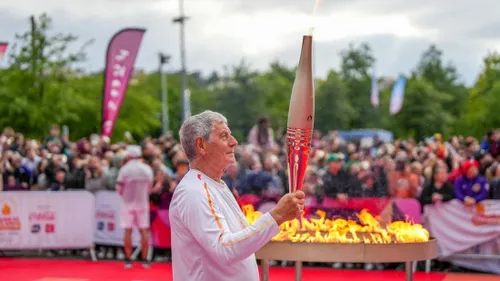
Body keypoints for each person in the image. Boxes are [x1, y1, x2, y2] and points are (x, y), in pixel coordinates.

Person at [169, 110, 305, 281]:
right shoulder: (195, 191)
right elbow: (225, 249)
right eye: (224, 136)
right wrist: (277, 215)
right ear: (201, 145)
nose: (234, 142)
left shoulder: (215, 185)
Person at [116, 145, 154, 269]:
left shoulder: (125, 169)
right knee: (144, 231)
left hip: (127, 203)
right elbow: (150, 187)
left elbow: (119, 188)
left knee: (128, 230)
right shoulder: (146, 169)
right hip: (142, 202)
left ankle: (128, 259)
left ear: (129, 156)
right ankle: (145, 259)